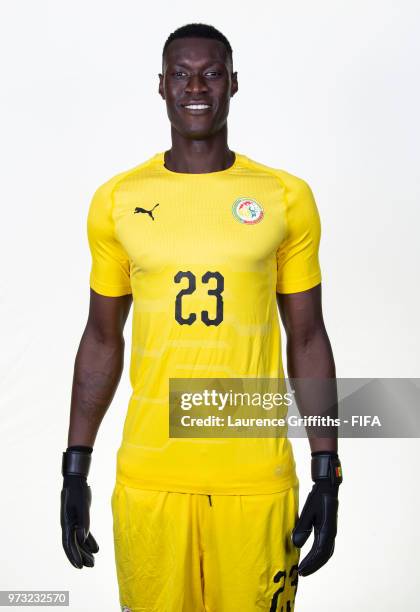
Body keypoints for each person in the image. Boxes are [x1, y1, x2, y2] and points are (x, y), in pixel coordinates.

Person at [60, 22, 342, 612]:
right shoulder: (117, 201)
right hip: (151, 479)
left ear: (233, 84)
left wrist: (326, 467)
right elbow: (101, 339)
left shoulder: (284, 196)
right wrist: (74, 467)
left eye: (211, 73)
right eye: (181, 74)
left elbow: (308, 337)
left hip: (255, 479)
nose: (196, 86)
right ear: (160, 86)